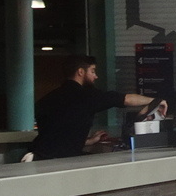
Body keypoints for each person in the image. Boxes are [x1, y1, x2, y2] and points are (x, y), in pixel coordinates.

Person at [31, 55, 163, 160]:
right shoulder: (86, 96)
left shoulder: (47, 99)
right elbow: (125, 99)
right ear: (81, 72)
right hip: (59, 162)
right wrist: (157, 101)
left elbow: (58, 136)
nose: (96, 76)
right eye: (93, 71)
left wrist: (89, 141)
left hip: (36, 157)